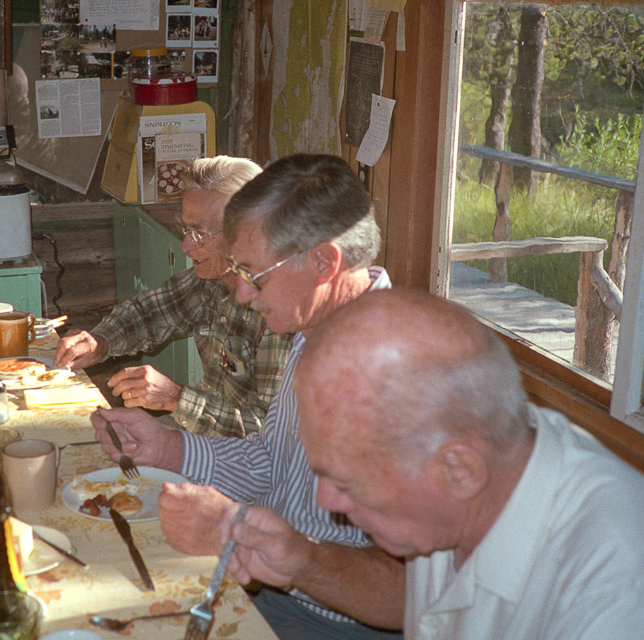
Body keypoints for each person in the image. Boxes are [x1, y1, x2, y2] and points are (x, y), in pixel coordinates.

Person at [90, 154, 404, 638]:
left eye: (254, 273)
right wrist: (169, 447)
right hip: (278, 586)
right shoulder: (311, 330)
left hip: (338, 620)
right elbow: (271, 462)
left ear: (325, 262)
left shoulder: (399, 375)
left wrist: (292, 557)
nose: (240, 294)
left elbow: (407, 593)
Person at [274, 288, 644, 639]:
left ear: (460, 471)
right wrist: (302, 560)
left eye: (349, 484)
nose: (326, 501)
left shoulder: (616, 594)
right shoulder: (483, 444)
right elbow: (423, 601)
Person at [56, 156, 292, 438]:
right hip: (202, 435)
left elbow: (270, 433)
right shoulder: (214, 278)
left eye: (199, 233)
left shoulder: (282, 312)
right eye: (185, 229)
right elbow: (149, 314)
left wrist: (175, 398)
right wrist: (99, 342)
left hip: (248, 462)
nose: (185, 246)